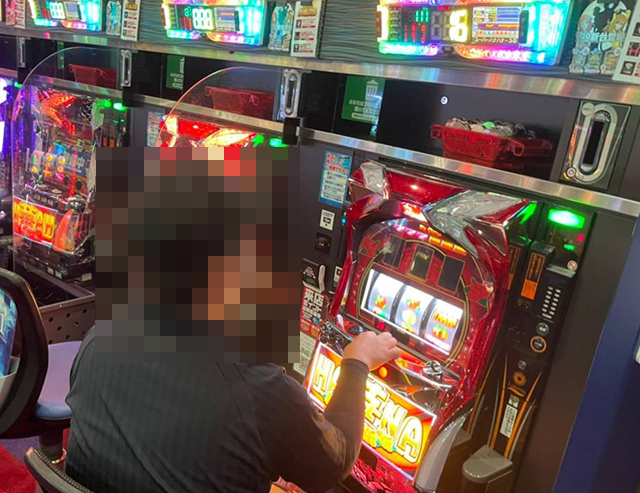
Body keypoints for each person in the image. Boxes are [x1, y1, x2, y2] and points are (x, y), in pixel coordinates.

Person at [65, 327, 400, 493]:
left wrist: (262, 451)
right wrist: (358, 362)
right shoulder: (254, 385)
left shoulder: (99, 334)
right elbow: (333, 463)